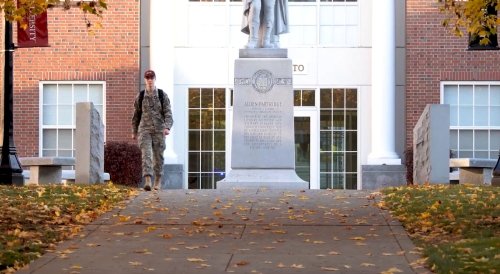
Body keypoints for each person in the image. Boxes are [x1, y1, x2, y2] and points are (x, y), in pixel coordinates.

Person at [131, 70, 173, 191]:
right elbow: (136, 115)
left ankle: (158, 180)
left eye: (151, 78)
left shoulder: (162, 95)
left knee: (158, 156)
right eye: (147, 78)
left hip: (159, 130)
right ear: (145, 80)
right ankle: (148, 179)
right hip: (144, 130)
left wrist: (167, 127)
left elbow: (168, 113)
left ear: (155, 79)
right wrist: (134, 131)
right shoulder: (140, 96)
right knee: (146, 154)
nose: (150, 80)